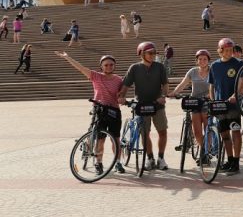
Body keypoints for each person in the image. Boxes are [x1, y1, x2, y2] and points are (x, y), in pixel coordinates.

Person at [56, 51, 126, 173]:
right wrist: (68, 58)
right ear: (101, 66)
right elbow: (81, 68)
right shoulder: (95, 76)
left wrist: (122, 97)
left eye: (111, 64)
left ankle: (118, 162)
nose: (108, 67)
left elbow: (122, 94)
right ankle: (99, 163)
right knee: (100, 139)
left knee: (115, 139)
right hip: (100, 110)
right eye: (106, 65)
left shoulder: (119, 80)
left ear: (114, 66)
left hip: (114, 111)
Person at [118, 42, 170, 171]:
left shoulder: (159, 67)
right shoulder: (134, 68)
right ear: (141, 53)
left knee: (162, 132)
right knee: (145, 134)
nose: (153, 55)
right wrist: (122, 96)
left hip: (157, 105)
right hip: (141, 105)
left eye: (154, 53)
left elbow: (165, 84)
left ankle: (161, 158)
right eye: (150, 53)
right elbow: (126, 85)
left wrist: (163, 96)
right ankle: (150, 158)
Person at [207, 38, 243, 174]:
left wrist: (236, 94)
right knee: (224, 134)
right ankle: (229, 159)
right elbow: (211, 85)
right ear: (220, 51)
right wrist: (212, 100)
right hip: (219, 105)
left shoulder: (239, 63)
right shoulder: (214, 66)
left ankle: (236, 161)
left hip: (233, 105)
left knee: (235, 131)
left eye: (231, 50)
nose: (229, 53)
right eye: (226, 50)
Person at [170, 50, 211, 158]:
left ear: (208, 61)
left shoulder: (213, 71)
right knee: (196, 131)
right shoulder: (192, 71)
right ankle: (203, 148)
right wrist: (174, 92)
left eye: (205, 59)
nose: (202, 61)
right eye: (200, 59)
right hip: (195, 102)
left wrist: (211, 95)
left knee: (208, 129)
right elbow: (183, 84)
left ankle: (206, 151)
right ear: (197, 61)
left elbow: (216, 86)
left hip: (207, 102)